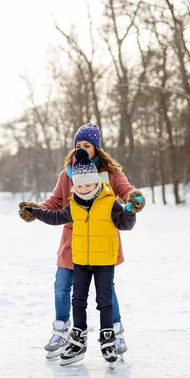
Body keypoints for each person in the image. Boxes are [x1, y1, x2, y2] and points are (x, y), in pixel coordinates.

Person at [18, 123, 145, 358]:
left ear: (96, 148)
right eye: (79, 145)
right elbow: (56, 202)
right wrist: (36, 209)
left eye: (87, 145)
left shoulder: (110, 172)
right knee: (62, 285)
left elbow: (126, 190)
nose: (83, 149)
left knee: (106, 291)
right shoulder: (68, 173)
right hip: (73, 239)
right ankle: (62, 330)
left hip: (102, 239)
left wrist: (133, 199)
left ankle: (115, 333)